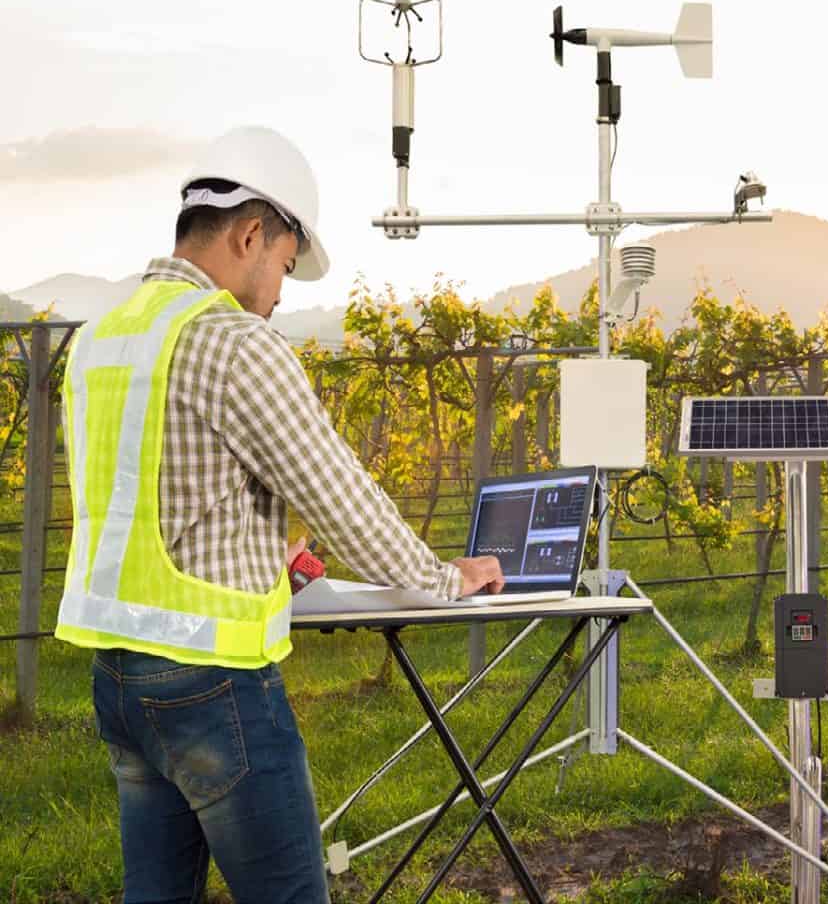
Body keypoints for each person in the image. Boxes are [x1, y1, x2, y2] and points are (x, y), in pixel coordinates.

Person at [53, 125, 504, 904]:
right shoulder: (233, 341)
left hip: (120, 681)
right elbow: (342, 498)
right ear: (251, 234)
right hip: (212, 684)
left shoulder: (101, 340)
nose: (281, 293)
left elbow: (148, 497)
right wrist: (442, 578)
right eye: (286, 265)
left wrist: (260, 551)